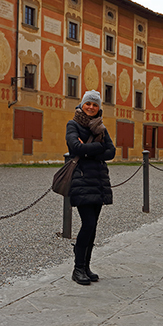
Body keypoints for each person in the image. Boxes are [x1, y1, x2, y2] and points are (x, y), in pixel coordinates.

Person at [65, 90, 116, 285]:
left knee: (93, 227)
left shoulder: (101, 128)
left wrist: (90, 151)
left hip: (99, 182)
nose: (91, 107)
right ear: (82, 104)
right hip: (81, 181)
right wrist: (98, 148)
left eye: (95, 105)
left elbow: (111, 152)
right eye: (88, 104)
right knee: (88, 224)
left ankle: (86, 266)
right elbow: (75, 149)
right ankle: (77, 268)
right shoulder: (73, 124)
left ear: (99, 107)